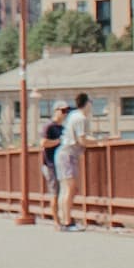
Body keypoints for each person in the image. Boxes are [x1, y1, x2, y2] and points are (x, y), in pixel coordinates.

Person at [56, 90, 90, 229]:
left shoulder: (72, 115)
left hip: (62, 153)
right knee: (70, 189)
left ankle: (64, 220)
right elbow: (82, 140)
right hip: (69, 155)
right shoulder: (80, 118)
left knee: (65, 189)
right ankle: (68, 222)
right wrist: (99, 143)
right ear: (87, 103)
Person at [40, 108, 66, 217]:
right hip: (50, 164)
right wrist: (58, 141)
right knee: (55, 192)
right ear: (56, 111)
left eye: (67, 111)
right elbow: (43, 142)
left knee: (63, 192)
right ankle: (56, 221)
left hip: (62, 164)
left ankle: (65, 217)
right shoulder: (49, 126)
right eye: (63, 111)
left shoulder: (63, 128)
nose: (65, 114)